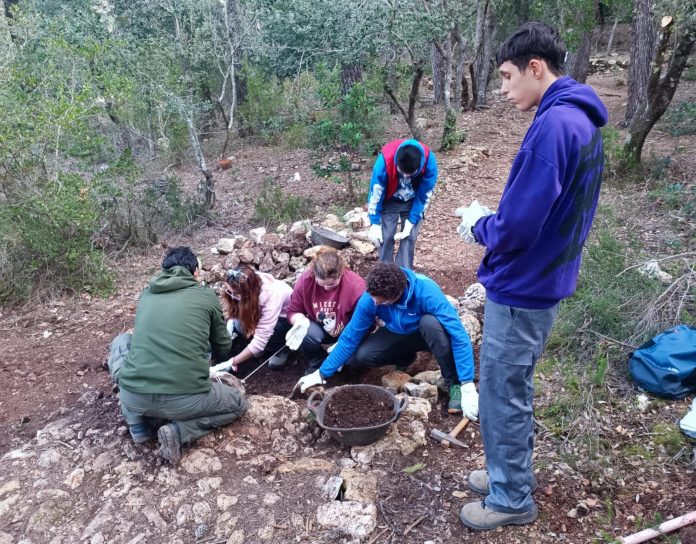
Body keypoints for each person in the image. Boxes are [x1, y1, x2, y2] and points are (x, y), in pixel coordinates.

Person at [456, 22, 607, 531]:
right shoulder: (580, 121)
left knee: (501, 394)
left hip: (523, 288)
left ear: (535, 68)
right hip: (543, 279)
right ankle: (506, 474)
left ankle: (512, 497)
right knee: (509, 388)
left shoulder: (554, 126)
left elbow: (517, 226)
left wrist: (479, 225)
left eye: (506, 76)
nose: (502, 89)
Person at [106, 246, 246, 465]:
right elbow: (223, 347)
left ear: (164, 270)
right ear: (196, 272)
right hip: (184, 400)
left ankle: (138, 425)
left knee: (121, 341)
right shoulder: (205, 296)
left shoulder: (147, 294)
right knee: (237, 403)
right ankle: (179, 431)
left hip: (133, 396)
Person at [295, 262, 478, 418]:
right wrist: (321, 373)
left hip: (428, 333)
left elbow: (458, 335)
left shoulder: (426, 291)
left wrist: (467, 384)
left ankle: (453, 382)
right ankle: (404, 358)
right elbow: (350, 338)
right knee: (362, 356)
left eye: (380, 301)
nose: (374, 303)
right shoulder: (371, 298)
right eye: (373, 298)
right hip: (398, 332)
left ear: (395, 296)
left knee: (430, 323)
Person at [284, 247, 366, 374]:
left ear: (341, 274)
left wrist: (344, 344)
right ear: (314, 275)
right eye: (321, 284)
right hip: (319, 327)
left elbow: (364, 322)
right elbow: (294, 310)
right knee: (305, 331)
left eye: (332, 285)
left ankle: (341, 365)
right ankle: (317, 363)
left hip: (348, 329)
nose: (327, 289)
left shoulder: (356, 287)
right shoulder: (306, 281)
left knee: (351, 363)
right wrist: (300, 321)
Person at [366, 138, 438, 269]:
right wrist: (374, 222)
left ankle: (404, 274)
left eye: (409, 174)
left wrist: (411, 221)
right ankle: (385, 272)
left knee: (409, 237)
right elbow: (375, 192)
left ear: (419, 167)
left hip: (413, 200)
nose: (405, 176)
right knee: (385, 237)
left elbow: (424, 196)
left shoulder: (429, 163)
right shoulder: (384, 160)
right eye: (402, 172)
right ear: (396, 163)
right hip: (389, 199)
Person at [220, 265, 293, 371]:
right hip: (261, 314)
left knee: (273, 332)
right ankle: (263, 347)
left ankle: (281, 348)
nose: (231, 296)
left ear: (246, 293)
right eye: (229, 291)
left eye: (235, 293)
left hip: (284, 321)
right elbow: (235, 310)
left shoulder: (272, 295)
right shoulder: (245, 282)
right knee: (239, 325)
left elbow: (262, 336)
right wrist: (230, 324)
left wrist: (232, 361)